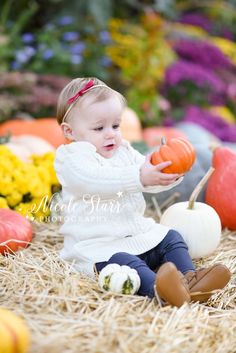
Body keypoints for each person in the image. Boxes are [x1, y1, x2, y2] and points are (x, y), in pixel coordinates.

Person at [54, 77, 231, 307]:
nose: (111, 134)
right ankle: (161, 291)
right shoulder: (71, 160)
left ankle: (189, 280)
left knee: (171, 238)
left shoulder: (124, 151)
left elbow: (147, 178)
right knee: (125, 264)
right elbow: (95, 181)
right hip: (97, 248)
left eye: (115, 126)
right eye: (99, 128)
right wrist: (138, 177)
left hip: (137, 237)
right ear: (70, 132)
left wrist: (166, 177)